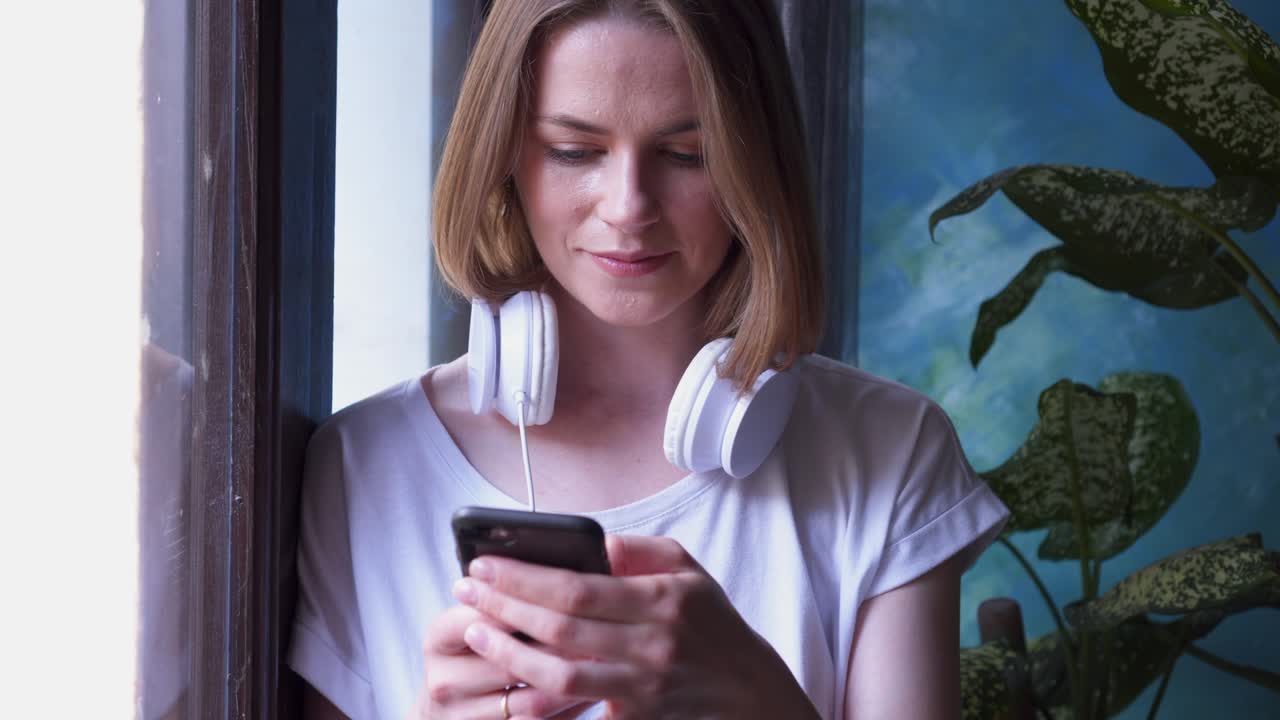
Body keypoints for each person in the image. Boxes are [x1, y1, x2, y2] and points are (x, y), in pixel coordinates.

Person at [288, 1, 1011, 718]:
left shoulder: (886, 449)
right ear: (504, 156)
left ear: (755, 167)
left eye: (687, 155)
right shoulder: (363, 464)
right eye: (574, 151)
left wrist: (760, 699)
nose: (628, 207)